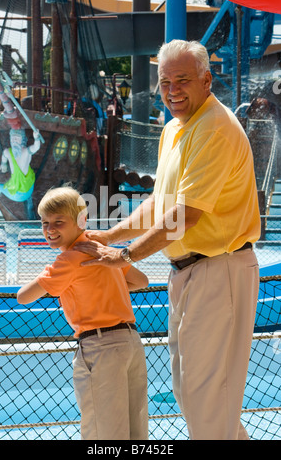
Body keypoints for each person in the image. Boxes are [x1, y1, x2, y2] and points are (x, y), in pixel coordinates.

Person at [74, 40, 261, 440]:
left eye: (182, 79)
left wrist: (124, 255)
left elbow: (186, 215)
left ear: (207, 81)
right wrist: (109, 235)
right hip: (191, 274)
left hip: (218, 270)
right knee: (194, 394)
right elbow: (161, 203)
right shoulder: (176, 128)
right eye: (164, 82)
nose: (172, 90)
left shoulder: (214, 127)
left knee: (207, 398)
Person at [17, 186, 149, 440]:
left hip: (99, 346)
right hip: (130, 342)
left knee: (103, 432)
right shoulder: (103, 251)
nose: (50, 229)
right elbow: (141, 280)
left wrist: (55, 272)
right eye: (45, 223)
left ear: (80, 222)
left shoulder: (68, 260)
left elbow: (23, 297)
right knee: (135, 430)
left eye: (58, 222)